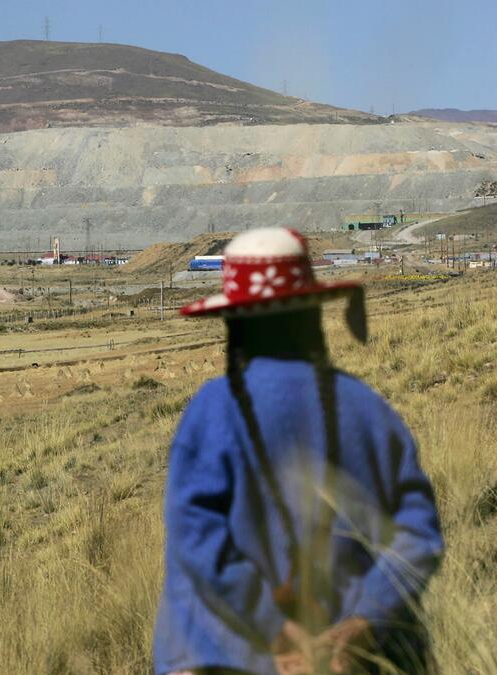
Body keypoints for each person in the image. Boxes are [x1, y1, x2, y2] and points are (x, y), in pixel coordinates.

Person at [153, 228, 444, 675]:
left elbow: (195, 539)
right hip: (357, 659)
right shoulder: (367, 409)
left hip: (220, 659)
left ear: (235, 324)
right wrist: (364, 621)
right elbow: (419, 533)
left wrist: (277, 630)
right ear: (311, 313)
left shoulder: (212, 411)